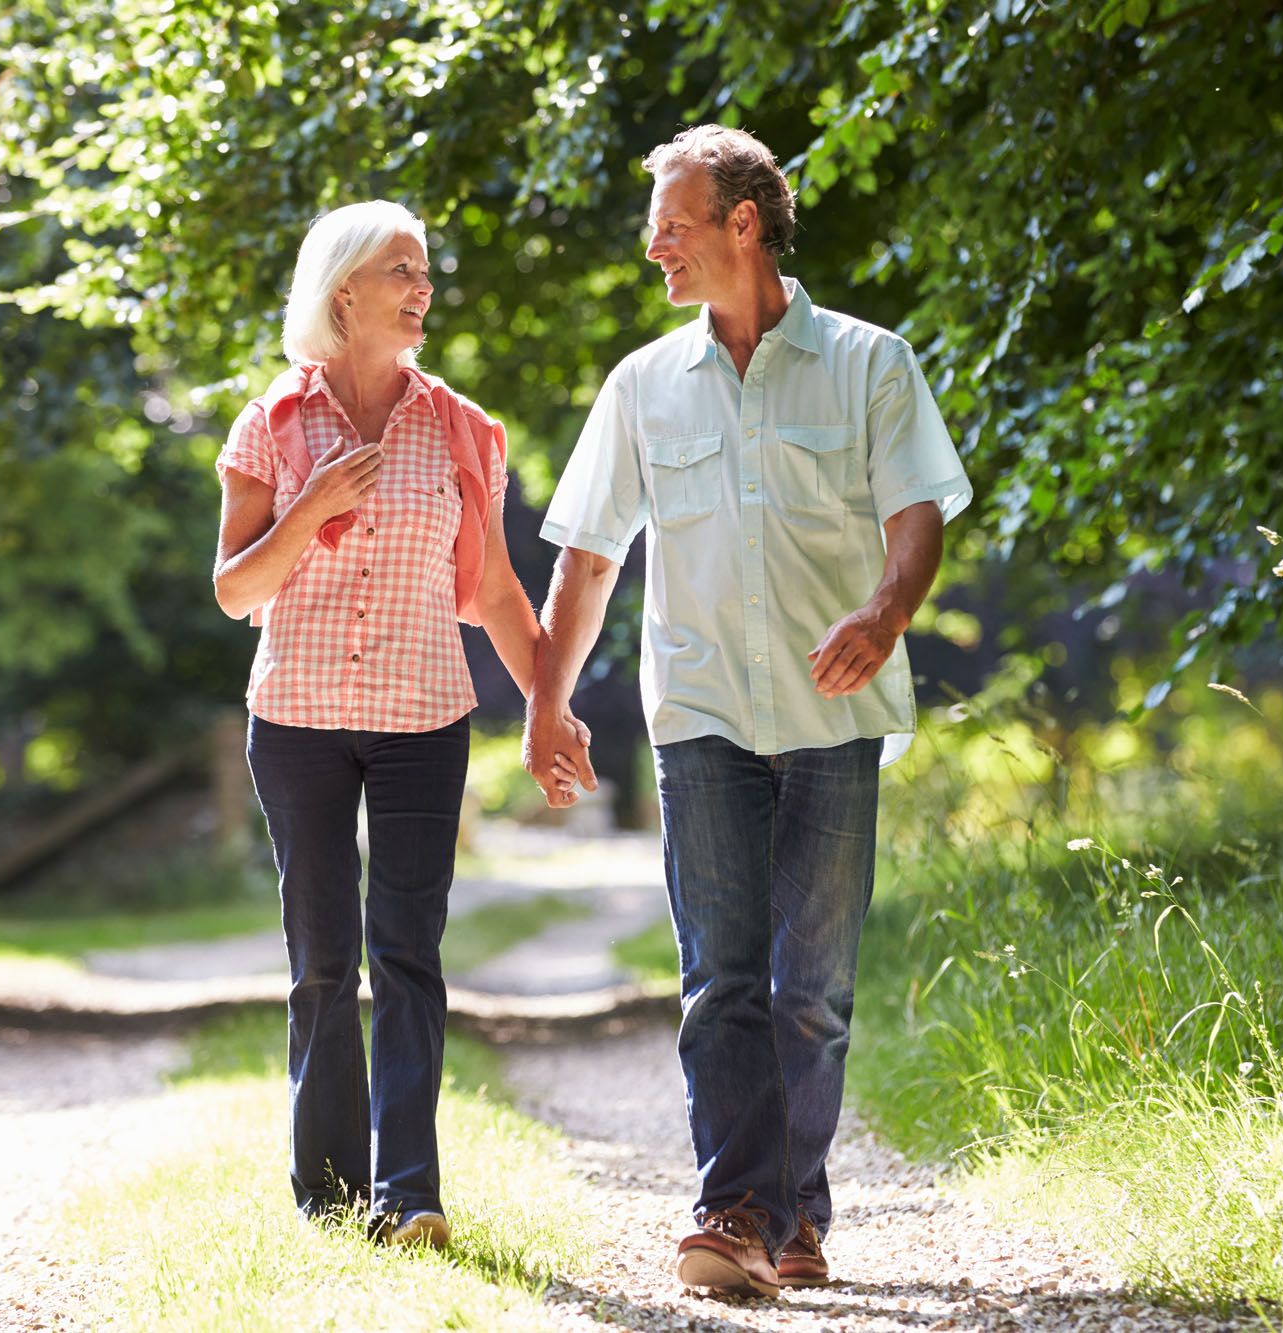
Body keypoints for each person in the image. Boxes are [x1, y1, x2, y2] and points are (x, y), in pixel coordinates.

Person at [522, 126, 972, 1297]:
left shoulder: (869, 363)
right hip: (703, 711)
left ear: (742, 223)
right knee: (718, 980)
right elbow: (584, 558)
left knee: (807, 990)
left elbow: (916, 511)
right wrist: (545, 702)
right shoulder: (640, 385)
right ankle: (731, 1207)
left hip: (834, 713)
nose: (651, 245)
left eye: (671, 221)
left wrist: (881, 613)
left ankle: (796, 1213)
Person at [213, 200, 580, 1249]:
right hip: (297, 722)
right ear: (343, 292)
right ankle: (329, 1200)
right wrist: (310, 506)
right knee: (322, 959)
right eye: (401, 272)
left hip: (424, 718)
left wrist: (549, 707)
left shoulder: (459, 428)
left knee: (407, 952)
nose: (423, 289)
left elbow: (503, 594)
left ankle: (408, 1194)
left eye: (424, 272)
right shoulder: (270, 426)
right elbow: (236, 590)